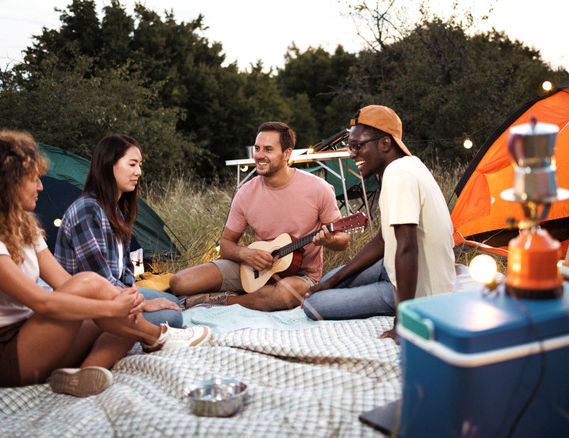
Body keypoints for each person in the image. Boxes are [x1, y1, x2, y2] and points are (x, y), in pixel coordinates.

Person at [0, 131, 211, 397]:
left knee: (119, 308)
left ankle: (85, 373)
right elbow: (43, 302)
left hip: (32, 334)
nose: (40, 186)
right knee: (97, 288)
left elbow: (63, 283)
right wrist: (111, 305)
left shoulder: (25, 229)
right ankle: (158, 337)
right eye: (32, 178)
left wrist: (127, 302)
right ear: (6, 183)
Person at [303, 105, 456, 341]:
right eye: (349, 147)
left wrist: (403, 322)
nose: (352, 154)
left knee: (313, 305)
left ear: (385, 143)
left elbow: (408, 247)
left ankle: (397, 304)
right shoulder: (406, 165)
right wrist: (334, 281)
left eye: (357, 146)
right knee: (325, 283)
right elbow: (385, 239)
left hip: (420, 290)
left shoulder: (399, 174)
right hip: (394, 268)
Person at [169, 121, 350, 311]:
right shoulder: (246, 193)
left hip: (301, 275)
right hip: (254, 269)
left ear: (287, 154)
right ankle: (253, 298)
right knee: (179, 283)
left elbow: (343, 240)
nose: (260, 156)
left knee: (282, 295)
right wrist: (246, 254)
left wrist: (329, 241)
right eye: (257, 148)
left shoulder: (318, 188)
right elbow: (226, 245)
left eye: (268, 149)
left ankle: (221, 301)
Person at [54, 134, 183, 328]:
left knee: (173, 303)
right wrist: (143, 303)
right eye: (132, 165)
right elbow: (98, 280)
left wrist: (132, 290)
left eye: (140, 165)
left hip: (114, 292)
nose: (138, 172)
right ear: (109, 165)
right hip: (88, 303)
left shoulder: (115, 210)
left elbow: (126, 268)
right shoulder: (87, 210)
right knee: (172, 317)